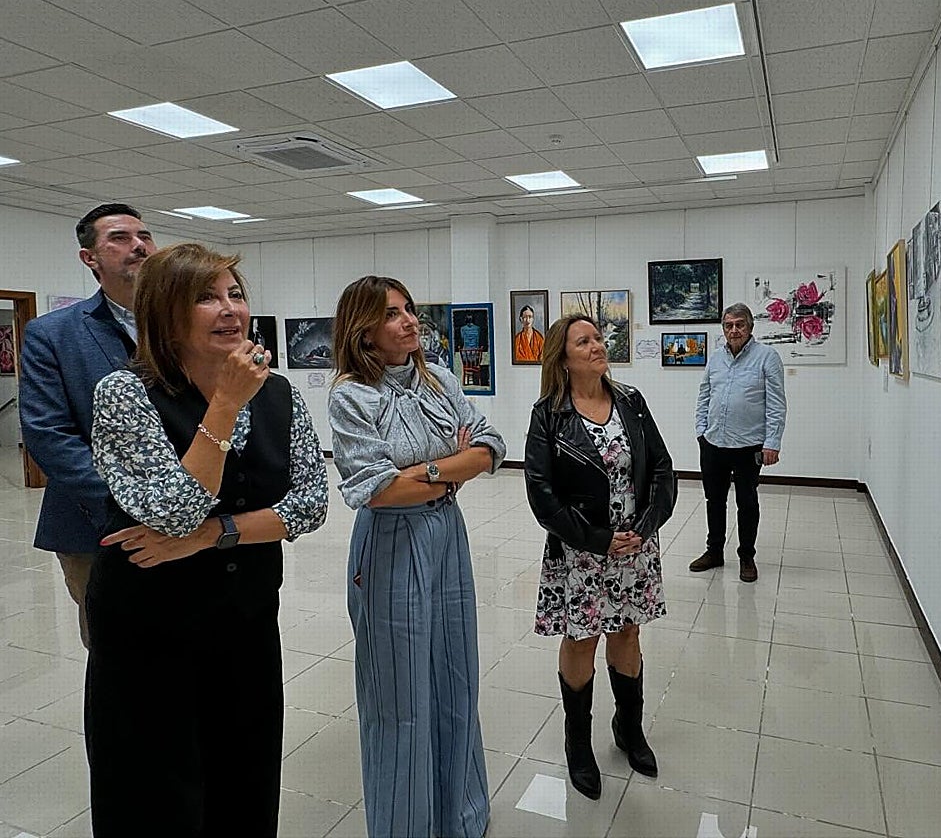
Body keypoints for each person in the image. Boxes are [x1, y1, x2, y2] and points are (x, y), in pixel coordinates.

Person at [86, 243, 329, 835]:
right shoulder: (125, 394)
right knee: (155, 793)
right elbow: (171, 510)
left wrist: (213, 536)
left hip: (245, 624)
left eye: (235, 295)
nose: (230, 310)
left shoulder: (280, 393)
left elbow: (309, 505)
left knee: (244, 783)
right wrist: (223, 404)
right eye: (206, 297)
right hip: (148, 631)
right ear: (165, 314)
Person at [328, 275, 504, 838]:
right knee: (398, 692)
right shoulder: (351, 396)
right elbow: (375, 490)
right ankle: (405, 824)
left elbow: (489, 447)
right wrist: (449, 468)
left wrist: (427, 475)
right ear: (363, 330)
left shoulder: (442, 382)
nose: (409, 322)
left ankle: (460, 816)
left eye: (409, 310)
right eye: (392, 314)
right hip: (390, 545)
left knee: (455, 678)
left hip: (447, 538)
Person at [524, 314, 676, 800]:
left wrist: (646, 524)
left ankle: (629, 728)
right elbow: (541, 494)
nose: (596, 347)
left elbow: (662, 468)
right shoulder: (549, 413)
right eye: (583, 341)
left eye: (598, 339)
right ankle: (578, 744)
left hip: (633, 546)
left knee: (627, 629)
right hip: (582, 552)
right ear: (563, 357)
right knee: (582, 638)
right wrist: (596, 538)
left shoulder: (631, 401)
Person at [19, 203, 156, 648]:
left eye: (144, 236)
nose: (138, 245)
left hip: (190, 517)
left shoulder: (186, 325)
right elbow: (48, 433)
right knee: (114, 647)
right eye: (119, 237)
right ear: (89, 258)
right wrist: (127, 504)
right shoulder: (53, 334)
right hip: (94, 523)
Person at [691, 303, 787, 583]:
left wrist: (773, 442)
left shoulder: (767, 357)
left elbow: (777, 405)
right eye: (729, 325)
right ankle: (714, 552)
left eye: (739, 324)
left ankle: (746, 556)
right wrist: (701, 431)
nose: (734, 330)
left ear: (750, 327)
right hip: (713, 443)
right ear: (723, 328)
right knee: (714, 500)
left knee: (747, 502)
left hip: (749, 446)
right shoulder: (715, 359)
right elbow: (704, 395)